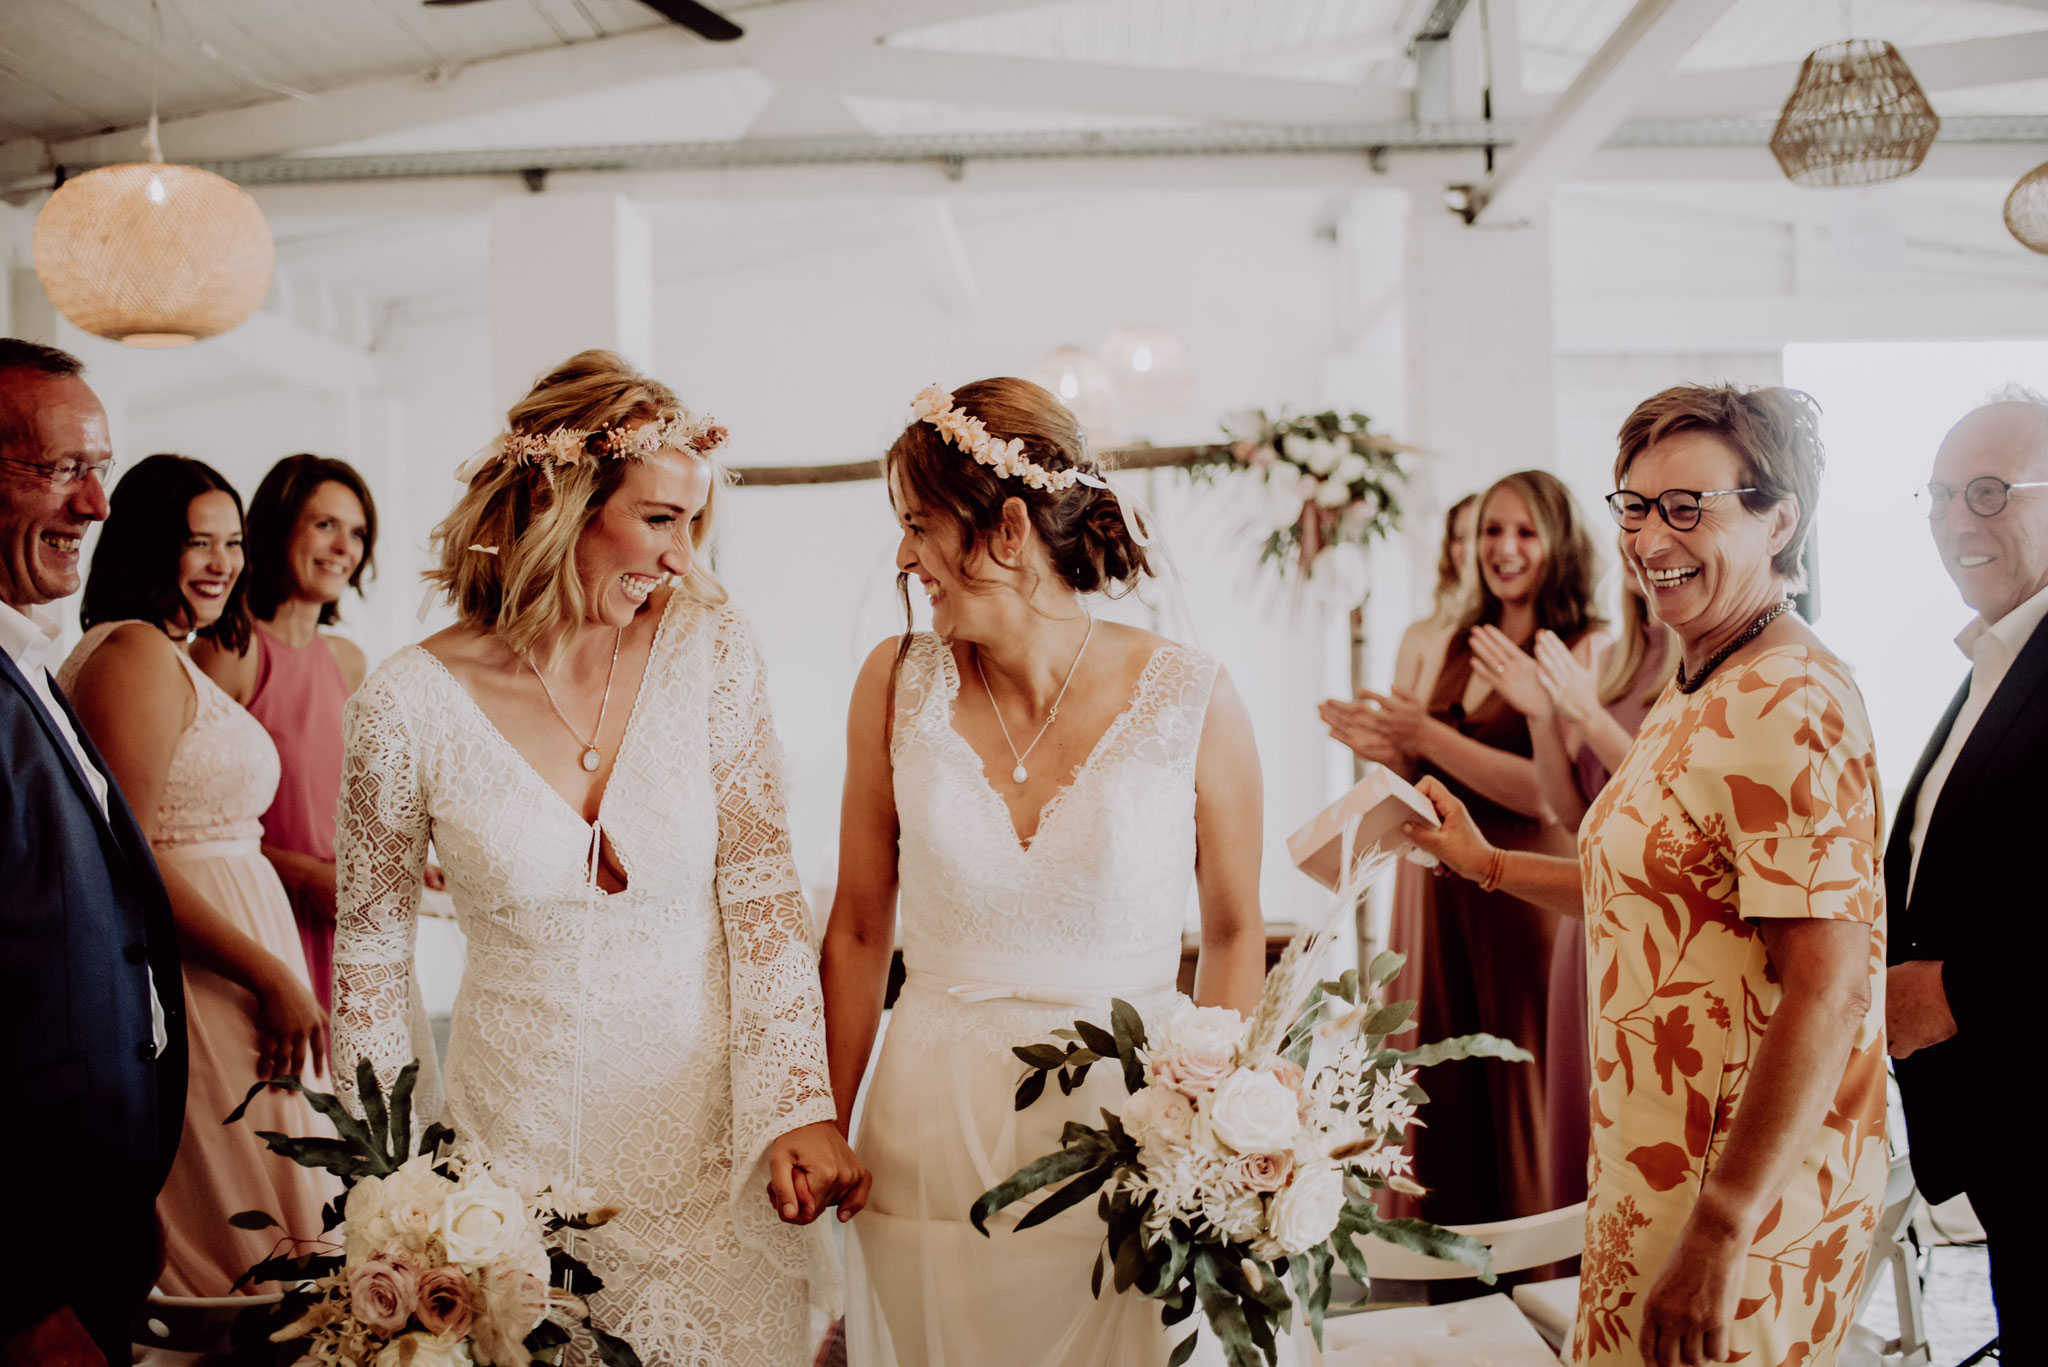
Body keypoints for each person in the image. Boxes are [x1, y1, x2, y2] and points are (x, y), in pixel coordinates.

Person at [332, 350, 864, 1364]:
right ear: (557, 500)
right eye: (659, 519)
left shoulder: (712, 649)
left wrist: (799, 1104)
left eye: (694, 524)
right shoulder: (403, 704)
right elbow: (368, 958)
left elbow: (761, 896)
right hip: (508, 1185)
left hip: (711, 1173)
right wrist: (388, 1188)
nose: (683, 558)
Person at [1404, 384, 1886, 1367]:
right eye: (1631, 505)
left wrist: (1719, 1226)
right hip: (1650, 1175)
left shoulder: (1788, 698)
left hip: (1742, 1206)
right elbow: (1655, 894)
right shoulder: (1692, 677)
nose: (1647, 536)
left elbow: (1828, 987)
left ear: (1776, 519)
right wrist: (1488, 864)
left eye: (1684, 508)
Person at [821, 379, 1268, 1367]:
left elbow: (1235, 929)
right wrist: (824, 1115)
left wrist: (1206, 1129)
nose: (903, 556)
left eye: (919, 524)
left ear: (1009, 528)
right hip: (923, 1128)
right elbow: (856, 926)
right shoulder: (891, 683)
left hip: (1125, 1131)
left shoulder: (1190, 694)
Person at [58, 453, 334, 1297]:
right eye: (197, 543)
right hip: (208, 980)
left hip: (237, 974)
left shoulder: (171, 652)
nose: (223, 563)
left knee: (285, 1211)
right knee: (244, 1231)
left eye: (233, 541)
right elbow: (125, 859)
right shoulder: (135, 653)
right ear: (148, 546)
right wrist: (269, 972)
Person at [1321, 469, 1602, 1226]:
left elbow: (1548, 793)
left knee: (1519, 1075)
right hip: (1435, 888)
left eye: (1522, 532)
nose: (1503, 548)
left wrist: (1426, 734)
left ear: (1559, 544)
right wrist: (1382, 746)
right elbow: (1420, 769)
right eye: (1490, 531)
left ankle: (1534, 1266)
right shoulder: (1452, 636)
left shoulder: (1585, 643)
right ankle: (1447, 1281)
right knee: (1435, 1076)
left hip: (1518, 891)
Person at [0, 340, 185, 1367]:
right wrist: (21, 1295)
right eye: (59, 468)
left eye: (100, 467)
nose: (97, 505)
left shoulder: (25, 660)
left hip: (92, 1225)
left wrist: (125, 1197)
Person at [1886, 392, 2048, 1357]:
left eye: (1989, 492)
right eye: (1942, 496)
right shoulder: (1998, 652)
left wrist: (1956, 991)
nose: (1956, 523)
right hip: (2006, 1126)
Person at [1466, 575, 1677, 1208]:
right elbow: (1567, 810)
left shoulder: (1706, 668)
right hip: (1586, 929)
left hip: (1661, 931)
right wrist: (1539, 715)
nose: (1644, 542)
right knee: (1579, 1143)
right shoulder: (1605, 662)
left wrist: (1586, 715)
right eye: (1630, 521)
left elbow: (1672, 803)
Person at [194, 454, 375, 1010]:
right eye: (325, 525)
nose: (344, 548)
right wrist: (303, 875)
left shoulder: (347, 661)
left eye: (358, 533)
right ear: (277, 529)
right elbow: (184, 829)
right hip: (261, 914)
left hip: (339, 917)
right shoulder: (231, 650)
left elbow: (339, 804)